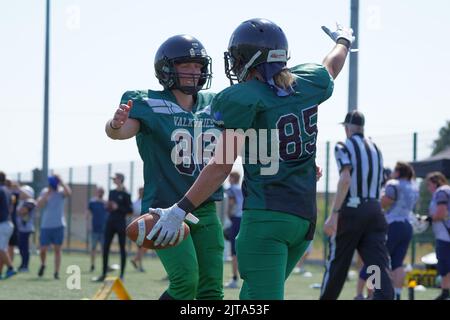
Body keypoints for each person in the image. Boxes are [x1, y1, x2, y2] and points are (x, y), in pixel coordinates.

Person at [146, 18, 352, 300]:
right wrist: (344, 41)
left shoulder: (241, 97)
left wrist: (180, 209)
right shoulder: (307, 82)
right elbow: (331, 65)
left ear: (250, 59)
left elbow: (221, 165)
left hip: (267, 218)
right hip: (304, 219)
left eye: (238, 57)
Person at [105, 34, 224, 300]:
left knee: (211, 291)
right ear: (167, 69)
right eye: (187, 65)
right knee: (185, 282)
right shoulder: (147, 102)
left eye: (198, 66)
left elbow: (246, 137)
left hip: (204, 208)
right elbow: (120, 131)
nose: (195, 72)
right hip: (164, 209)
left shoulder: (217, 103)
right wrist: (115, 124)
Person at [321, 110, 394, 300]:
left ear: (347, 128)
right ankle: (382, 297)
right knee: (376, 264)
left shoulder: (343, 145)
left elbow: (345, 179)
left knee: (338, 263)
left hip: (352, 211)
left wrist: (334, 213)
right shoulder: (376, 148)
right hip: (375, 210)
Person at [94, 173, 132, 281]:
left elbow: (130, 210)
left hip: (120, 223)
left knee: (122, 249)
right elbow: (110, 208)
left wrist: (118, 207)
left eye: (115, 178)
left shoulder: (126, 194)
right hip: (110, 223)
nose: (113, 180)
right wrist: (108, 206)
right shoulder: (112, 192)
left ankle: (122, 276)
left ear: (120, 179)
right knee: (105, 248)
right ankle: (103, 274)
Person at [36, 174, 71, 279]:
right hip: (46, 225)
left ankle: (56, 272)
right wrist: (48, 193)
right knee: (43, 249)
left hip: (59, 225)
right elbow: (39, 204)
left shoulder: (61, 192)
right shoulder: (45, 192)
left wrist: (62, 182)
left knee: (57, 250)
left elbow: (69, 193)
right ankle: (43, 264)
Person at [425, 171, 450, 300]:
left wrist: (428, 219)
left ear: (435, 183)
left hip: (446, 236)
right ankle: (445, 292)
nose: (428, 188)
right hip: (445, 234)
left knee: (445, 265)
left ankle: (446, 292)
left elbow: (441, 213)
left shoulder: (441, 192)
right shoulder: (446, 190)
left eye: (429, 185)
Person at [224, 172, 243, 289]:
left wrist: (228, 215)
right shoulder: (241, 189)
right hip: (245, 219)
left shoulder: (231, 189)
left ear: (232, 178)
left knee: (234, 251)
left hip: (235, 220)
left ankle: (234, 278)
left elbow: (231, 203)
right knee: (243, 250)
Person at [87, 186, 108, 272]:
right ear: (97, 192)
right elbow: (87, 214)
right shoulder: (92, 202)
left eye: (102, 192)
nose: (101, 193)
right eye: (99, 191)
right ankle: (92, 265)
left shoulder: (106, 203)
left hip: (104, 230)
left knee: (104, 249)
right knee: (93, 248)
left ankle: (104, 265)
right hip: (95, 229)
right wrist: (88, 225)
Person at [16, 185, 36, 272]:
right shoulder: (21, 201)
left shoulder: (30, 202)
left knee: (24, 248)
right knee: (21, 247)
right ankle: (22, 265)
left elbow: (22, 211)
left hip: (26, 228)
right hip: (20, 228)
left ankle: (25, 266)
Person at [0, 171, 16, 279]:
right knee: (2, 249)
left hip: (2, 223)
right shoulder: (8, 190)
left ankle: (11, 268)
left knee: (1, 249)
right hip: (8, 223)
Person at [130, 187, 148, 272]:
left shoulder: (146, 201)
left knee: (145, 247)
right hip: (138, 227)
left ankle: (135, 260)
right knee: (140, 247)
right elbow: (133, 214)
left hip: (146, 226)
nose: (141, 193)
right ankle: (140, 266)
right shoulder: (135, 203)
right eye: (140, 191)